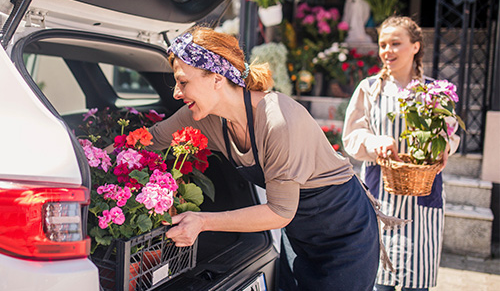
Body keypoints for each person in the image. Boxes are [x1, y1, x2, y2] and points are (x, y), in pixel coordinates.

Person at [147, 26, 380, 290]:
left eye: (183, 82)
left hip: (343, 231)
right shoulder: (205, 117)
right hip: (299, 230)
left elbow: (279, 212)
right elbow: (151, 139)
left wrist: (203, 221)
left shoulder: (279, 121)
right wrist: (93, 160)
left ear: (216, 77)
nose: (177, 93)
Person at [342, 16, 460, 291]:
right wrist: (374, 142)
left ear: (415, 47)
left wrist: (445, 149)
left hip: (423, 197)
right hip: (380, 195)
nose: (387, 51)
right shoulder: (369, 89)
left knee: (415, 282)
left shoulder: (434, 92)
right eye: (383, 44)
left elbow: (451, 135)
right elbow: (351, 137)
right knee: (377, 280)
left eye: (396, 43)